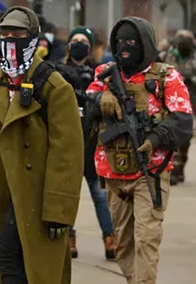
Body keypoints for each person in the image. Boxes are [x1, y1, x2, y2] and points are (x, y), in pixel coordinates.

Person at [0, 6, 84, 284]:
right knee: (7, 261)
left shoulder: (54, 86)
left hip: (35, 191)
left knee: (12, 258)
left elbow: (68, 154)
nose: (10, 41)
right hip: (0, 185)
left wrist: (59, 210)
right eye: (4, 34)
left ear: (33, 38)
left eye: (18, 34)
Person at [86, 17, 192, 284]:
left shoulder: (166, 76)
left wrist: (155, 138)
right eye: (120, 41)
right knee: (122, 245)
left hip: (151, 172)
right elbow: (83, 110)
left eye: (131, 42)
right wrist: (101, 99)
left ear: (144, 43)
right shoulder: (104, 74)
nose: (125, 47)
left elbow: (182, 120)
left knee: (146, 237)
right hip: (113, 172)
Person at [63, 26, 117, 260]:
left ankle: (110, 237)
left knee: (99, 193)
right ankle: (68, 236)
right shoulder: (60, 71)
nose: (79, 44)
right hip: (68, 140)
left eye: (84, 41)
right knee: (67, 194)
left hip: (93, 141)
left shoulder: (100, 73)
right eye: (75, 40)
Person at [162, 30, 196, 184]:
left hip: (187, 103)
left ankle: (180, 166)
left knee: (185, 138)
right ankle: (173, 169)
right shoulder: (166, 57)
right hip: (167, 103)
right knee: (170, 135)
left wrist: (190, 79)